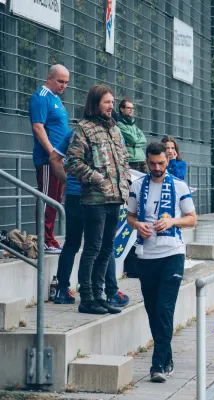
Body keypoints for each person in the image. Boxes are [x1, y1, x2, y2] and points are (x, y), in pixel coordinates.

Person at [127, 142, 197, 383]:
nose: (156, 168)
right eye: (152, 164)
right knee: (152, 310)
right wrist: (138, 226)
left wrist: (172, 222)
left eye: (161, 163)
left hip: (172, 254)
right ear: (147, 162)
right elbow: (131, 216)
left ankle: (157, 365)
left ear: (168, 160)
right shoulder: (137, 185)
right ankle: (166, 358)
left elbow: (192, 219)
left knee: (164, 310)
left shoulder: (179, 185)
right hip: (146, 255)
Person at [65, 85, 131, 315]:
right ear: (95, 103)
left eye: (113, 102)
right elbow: (71, 162)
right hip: (94, 199)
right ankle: (87, 298)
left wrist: (127, 183)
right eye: (107, 102)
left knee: (106, 249)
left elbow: (123, 160)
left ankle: (99, 295)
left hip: (115, 198)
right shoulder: (83, 129)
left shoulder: (114, 129)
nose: (112, 106)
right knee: (92, 249)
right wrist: (96, 178)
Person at [49, 131, 130, 307]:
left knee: (71, 243)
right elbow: (121, 165)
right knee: (103, 244)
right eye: (107, 102)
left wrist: (67, 181)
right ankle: (111, 292)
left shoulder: (73, 132)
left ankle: (62, 290)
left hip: (73, 195)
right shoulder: (112, 133)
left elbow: (54, 158)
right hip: (98, 197)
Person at [29, 64, 70, 254]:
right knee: (47, 198)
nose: (63, 85)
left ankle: (50, 239)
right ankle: (44, 240)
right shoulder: (42, 97)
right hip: (48, 160)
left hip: (59, 160)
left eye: (66, 82)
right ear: (49, 78)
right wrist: (52, 153)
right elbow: (38, 127)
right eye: (60, 81)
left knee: (54, 199)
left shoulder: (56, 99)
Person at [115, 98, 147, 173]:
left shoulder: (133, 125)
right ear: (122, 109)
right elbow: (133, 140)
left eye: (132, 108)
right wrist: (136, 142)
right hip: (131, 160)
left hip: (141, 158)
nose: (131, 110)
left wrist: (134, 144)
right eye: (128, 108)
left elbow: (144, 140)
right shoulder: (120, 125)